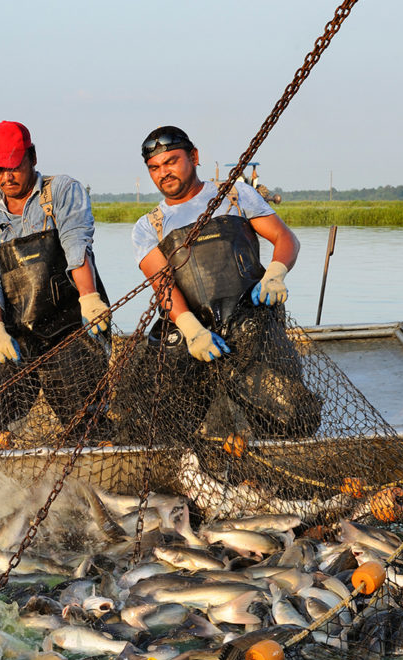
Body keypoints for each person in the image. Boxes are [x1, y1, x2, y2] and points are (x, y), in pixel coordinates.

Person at [131, 126, 320, 440]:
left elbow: (285, 238)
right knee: (159, 428)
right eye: (155, 168)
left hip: (254, 331)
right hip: (195, 341)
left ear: (194, 157)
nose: (164, 172)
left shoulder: (234, 195)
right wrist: (192, 330)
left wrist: (275, 273)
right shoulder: (149, 226)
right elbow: (163, 286)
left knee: (292, 420)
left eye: (172, 161)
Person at [0, 121, 113, 446]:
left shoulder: (61, 191)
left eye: (14, 167)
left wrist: (88, 297)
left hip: (72, 329)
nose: (7, 177)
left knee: (83, 416)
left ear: (33, 156)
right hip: (20, 336)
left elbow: (76, 245)